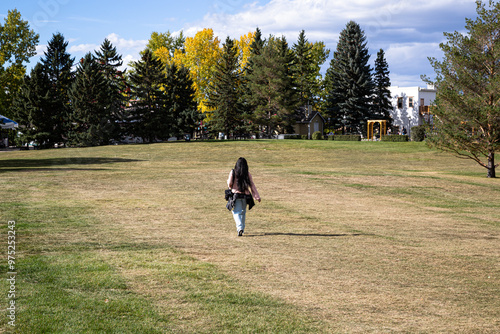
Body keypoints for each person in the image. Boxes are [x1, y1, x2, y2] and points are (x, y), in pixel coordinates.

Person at [227, 157, 261, 236]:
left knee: (236, 212)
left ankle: (240, 228)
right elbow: (252, 185)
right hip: (246, 196)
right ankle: (242, 228)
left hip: (236, 195)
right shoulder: (247, 173)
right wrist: (256, 196)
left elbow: (230, 184)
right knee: (243, 212)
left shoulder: (233, 172)